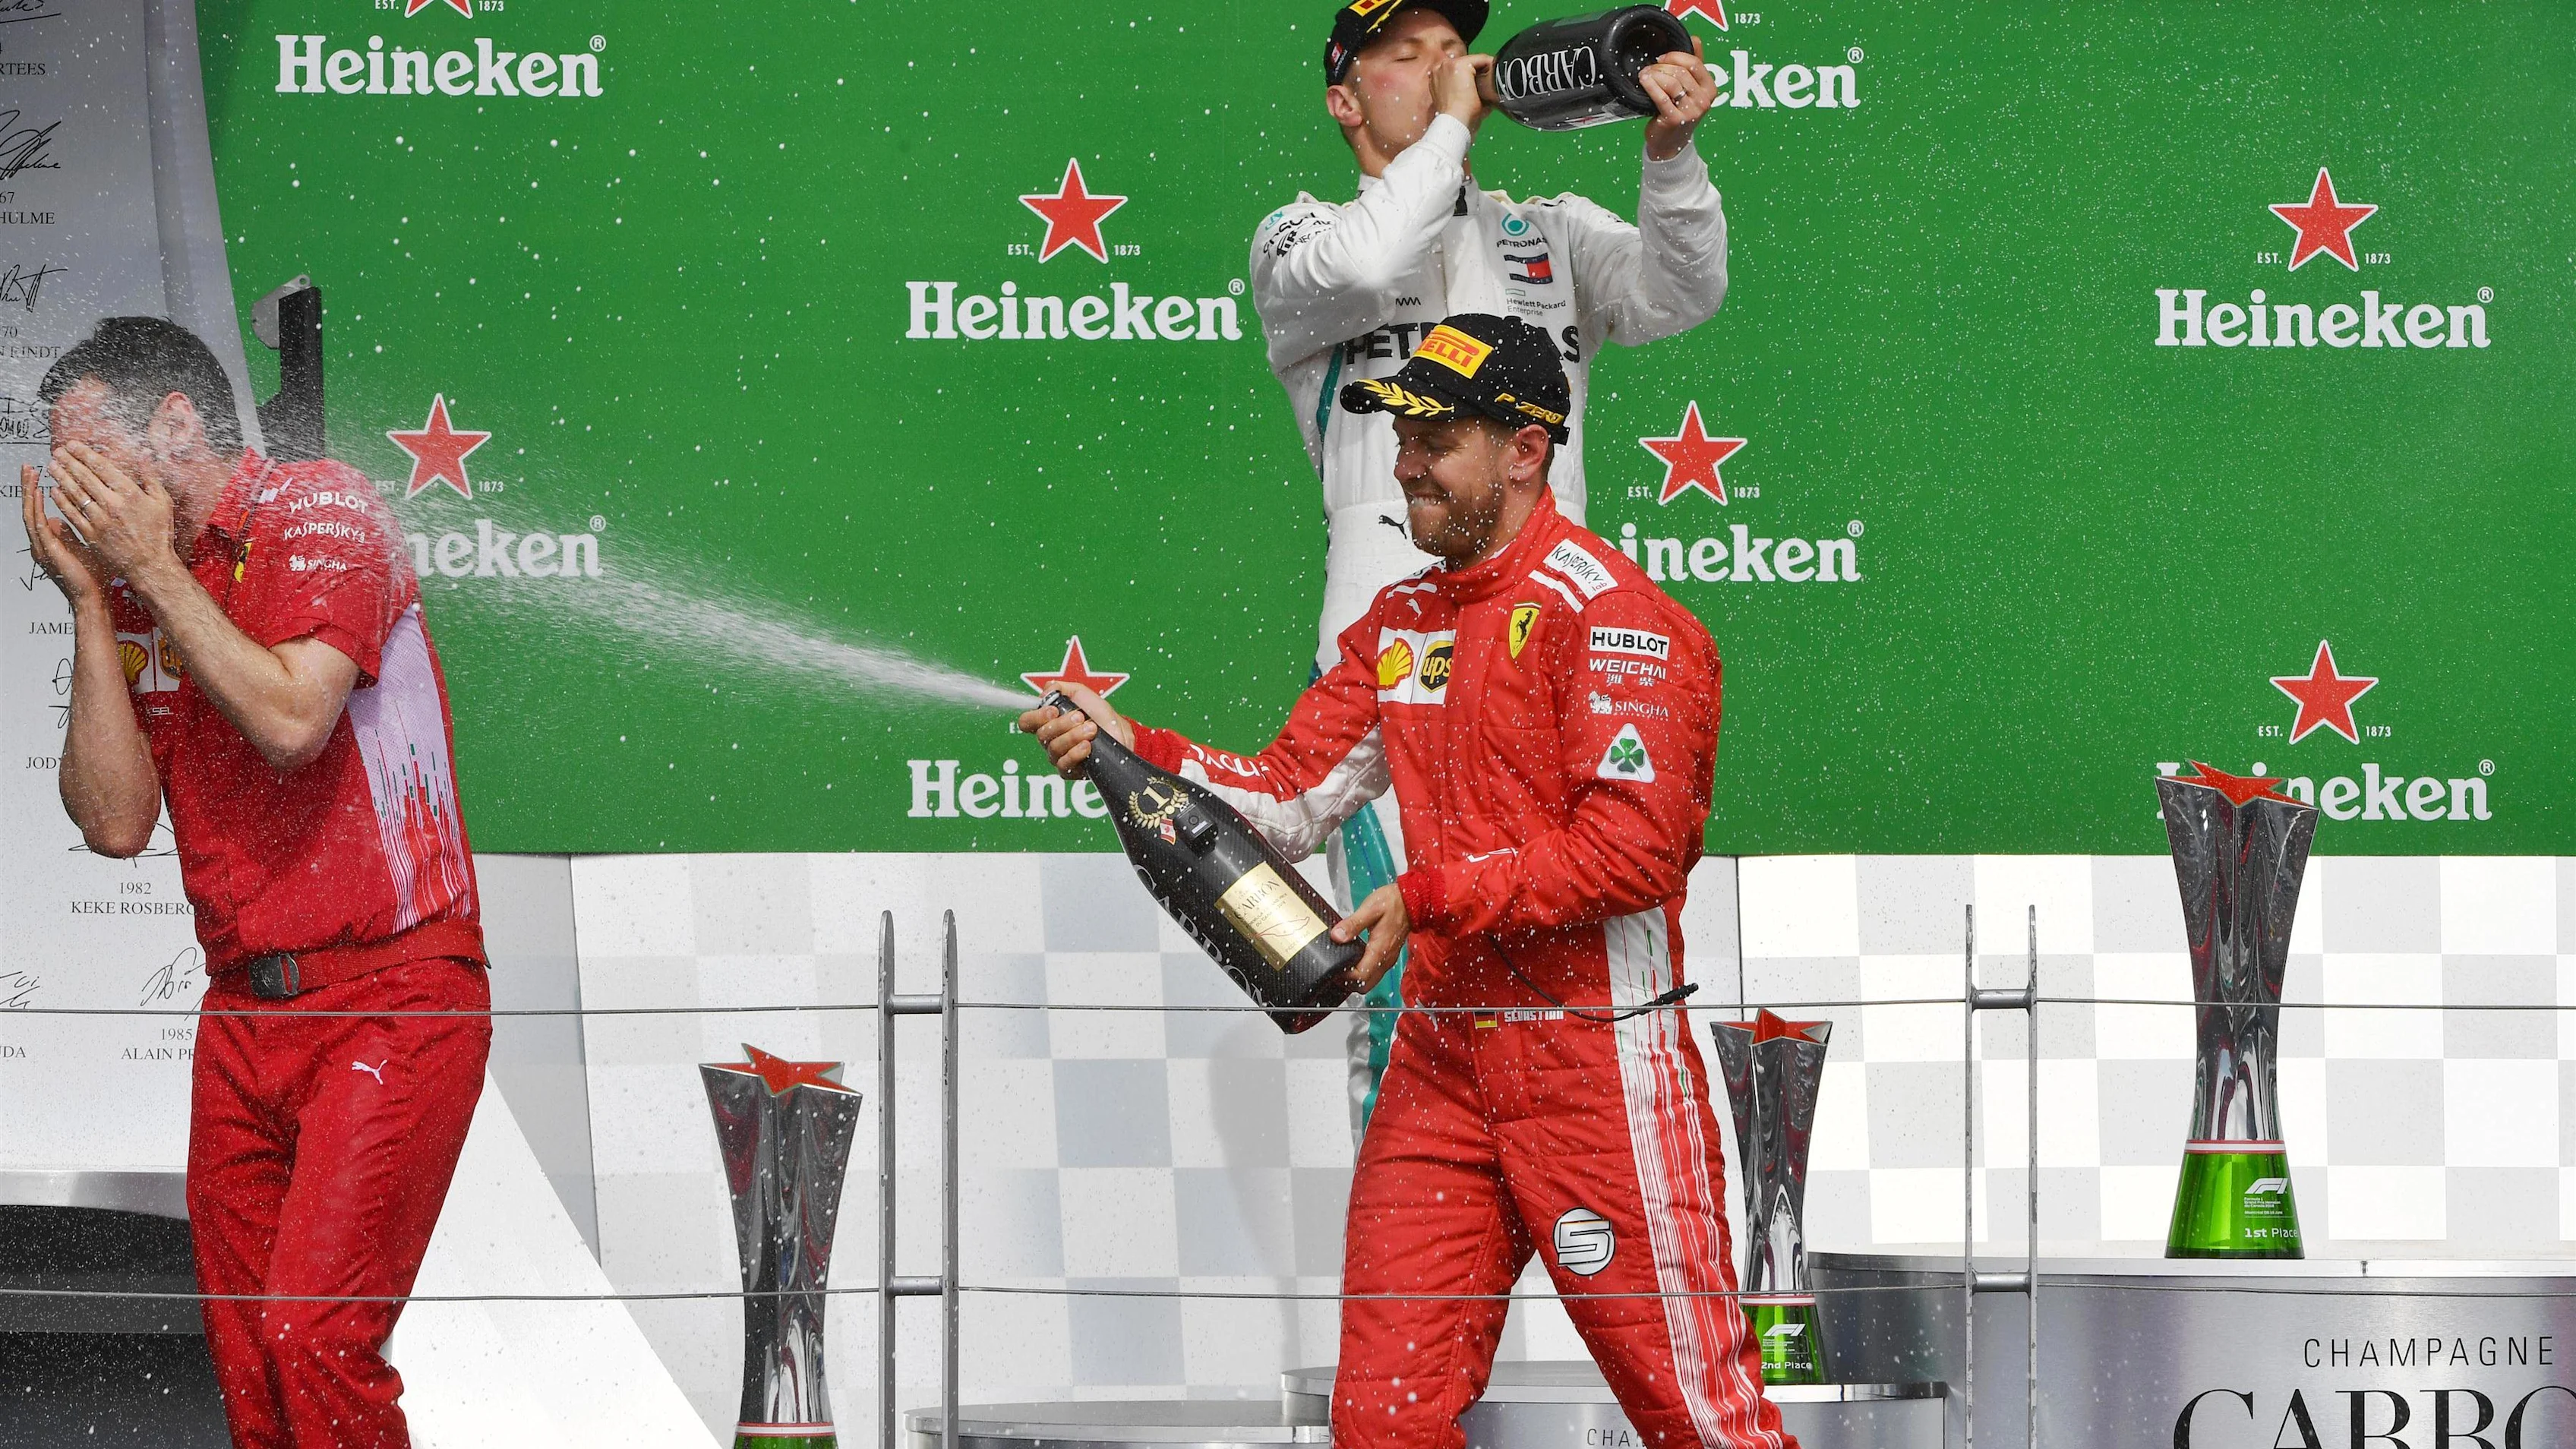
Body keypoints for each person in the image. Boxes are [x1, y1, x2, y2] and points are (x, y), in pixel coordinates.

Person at [1025, 314, 1790, 1449]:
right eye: (1400, 432)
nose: (1405, 462)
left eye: (1436, 436)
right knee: (1382, 1420)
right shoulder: (1405, 622)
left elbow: (1633, 854)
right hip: (1441, 1065)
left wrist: (1429, 897)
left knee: (1697, 1420)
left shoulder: (1617, 616)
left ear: (1525, 450)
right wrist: (1133, 747)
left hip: (1593, 1062)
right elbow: (1286, 794)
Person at [1255, 0, 1730, 1129]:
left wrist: (1670, 158)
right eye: (1404, 57)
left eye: (1451, 50)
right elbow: (1381, 254)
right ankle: (1426, 1270)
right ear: (1343, 98)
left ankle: (1580, 1233)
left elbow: (1680, 293)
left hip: (1551, 661)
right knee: (1410, 988)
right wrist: (1453, 133)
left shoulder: (1546, 229)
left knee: (1562, 977)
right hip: (1396, 673)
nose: (1443, 68)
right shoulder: (1300, 241)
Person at [21, 316, 488, 1449]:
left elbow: (290, 717)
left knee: (314, 1340)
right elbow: (116, 823)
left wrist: (149, 574)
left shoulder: (323, 505)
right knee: (248, 1360)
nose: (75, 494)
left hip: (391, 991)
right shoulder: (134, 587)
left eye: (93, 460)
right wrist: (92, 601)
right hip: (242, 1016)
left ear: (177, 423)